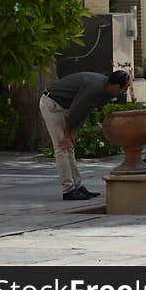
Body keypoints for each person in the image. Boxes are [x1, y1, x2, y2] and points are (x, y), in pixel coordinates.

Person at [39, 70, 130, 200]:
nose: (125, 92)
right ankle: (68, 190)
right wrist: (66, 135)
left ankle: (78, 185)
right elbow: (76, 110)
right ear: (116, 86)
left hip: (65, 106)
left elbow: (85, 110)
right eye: (125, 88)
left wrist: (73, 132)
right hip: (52, 104)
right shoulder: (95, 87)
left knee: (69, 147)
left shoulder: (106, 92)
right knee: (62, 147)